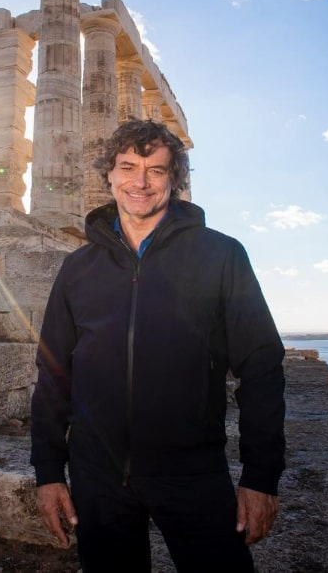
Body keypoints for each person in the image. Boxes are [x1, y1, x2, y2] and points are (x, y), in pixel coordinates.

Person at [30, 119, 286, 571]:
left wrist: (261, 477)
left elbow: (261, 365)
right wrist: (48, 473)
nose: (140, 182)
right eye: (128, 167)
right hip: (98, 476)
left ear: (174, 179)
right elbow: (53, 374)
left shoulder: (222, 255)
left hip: (193, 472)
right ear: (109, 175)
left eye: (156, 170)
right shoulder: (77, 268)